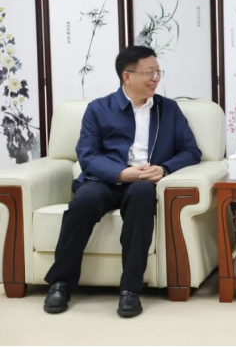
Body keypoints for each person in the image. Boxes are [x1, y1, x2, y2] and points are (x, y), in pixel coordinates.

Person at [43, 46, 201, 318]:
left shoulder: (168, 109)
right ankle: (60, 284)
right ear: (127, 76)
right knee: (83, 203)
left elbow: (191, 151)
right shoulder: (98, 109)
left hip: (143, 183)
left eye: (158, 72)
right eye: (149, 73)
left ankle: (130, 290)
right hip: (104, 180)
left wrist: (164, 168)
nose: (155, 78)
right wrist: (121, 173)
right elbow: (87, 154)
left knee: (142, 196)